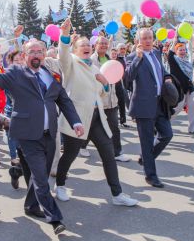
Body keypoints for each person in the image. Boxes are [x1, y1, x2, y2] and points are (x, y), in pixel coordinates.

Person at [0, 39, 84, 235]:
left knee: (41, 176)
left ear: (44, 54)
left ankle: (30, 206)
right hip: (28, 136)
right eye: (32, 52)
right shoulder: (16, 72)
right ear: (25, 55)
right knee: (41, 178)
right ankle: (55, 219)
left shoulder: (50, 75)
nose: (36, 55)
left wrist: (76, 122)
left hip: (49, 135)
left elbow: (64, 100)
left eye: (40, 51)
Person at [52, 22, 136, 206]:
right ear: (75, 49)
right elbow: (63, 54)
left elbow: (102, 92)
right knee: (70, 155)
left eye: (89, 46)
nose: (87, 48)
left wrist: (105, 83)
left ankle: (117, 194)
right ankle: (60, 185)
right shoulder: (70, 63)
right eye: (83, 46)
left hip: (97, 118)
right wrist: (65, 34)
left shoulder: (94, 67)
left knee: (108, 154)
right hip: (77, 119)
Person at [125, 28, 174, 188]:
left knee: (167, 134)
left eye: (149, 38)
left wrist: (167, 78)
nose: (147, 40)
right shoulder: (132, 56)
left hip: (160, 103)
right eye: (144, 38)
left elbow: (162, 70)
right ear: (138, 41)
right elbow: (128, 78)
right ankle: (151, 176)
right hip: (143, 105)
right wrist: (138, 58)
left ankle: (146, 158)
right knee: (146, 142)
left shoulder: (156, 53)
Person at [90, 36, 131, 162]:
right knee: (90, 127)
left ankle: (117, 153)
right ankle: (82, 145)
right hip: (97, 102)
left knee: (114, 127)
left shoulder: (111, 59)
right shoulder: (91, 60)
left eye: (105, 43)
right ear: (95, 45)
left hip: (112, 101)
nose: (103, 45)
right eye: (100, 43)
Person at [168, 43, 194, 134]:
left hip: (190, 88)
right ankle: (165, 124)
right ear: (176, 52)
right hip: (179, 89)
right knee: (177, 108)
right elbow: (170, 53)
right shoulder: (173, 61)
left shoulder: (187, 62)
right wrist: (175, 39)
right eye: (180, 50)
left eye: (184, 50)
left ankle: (193, 129)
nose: (182, 51)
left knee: (193, 108)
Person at [115, 43, 130, 127]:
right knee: (120, 102)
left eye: (124, 48)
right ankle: (119, 120)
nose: (123, 50)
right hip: (118, 83)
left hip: (125, 83)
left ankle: (123, 121)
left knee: (122, 102)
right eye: (121, 48)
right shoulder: (116, 59)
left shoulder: (126, 58)